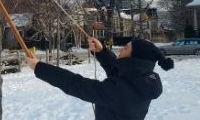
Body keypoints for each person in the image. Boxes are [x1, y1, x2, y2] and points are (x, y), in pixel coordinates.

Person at [26, 37, 174, 120]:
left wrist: (39, 68)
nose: (122, 48)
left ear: (134, 58)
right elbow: (118, 72)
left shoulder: (120, 92)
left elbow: (76, 84)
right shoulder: (142, 79)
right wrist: (101, 51)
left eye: (127, 48)